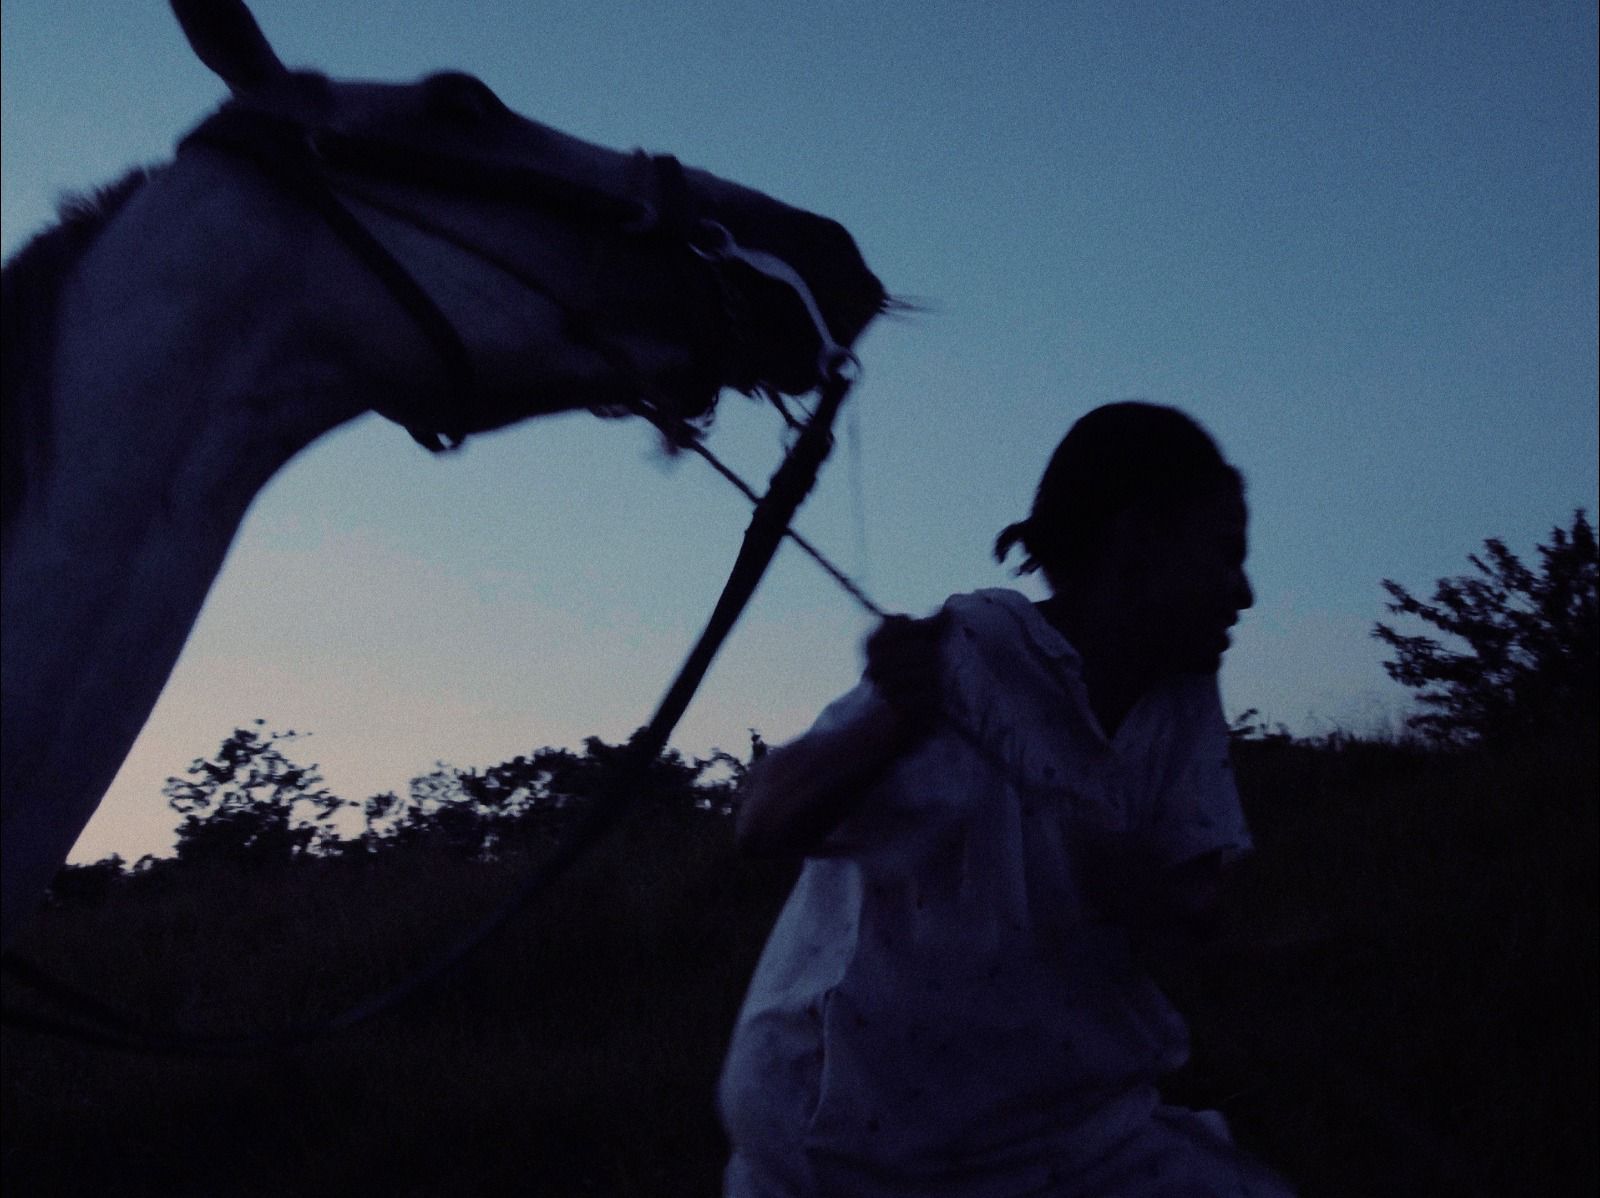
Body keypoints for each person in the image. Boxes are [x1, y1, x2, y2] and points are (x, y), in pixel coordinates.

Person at [717, 402, 1296, 1196]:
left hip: (1070, 1132)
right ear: (1139, 542)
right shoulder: (971, 649)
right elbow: (763, 822)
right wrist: (891, 721)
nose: (1244, 592)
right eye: (1225, 555)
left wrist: (1157, 899)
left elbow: (1196, 901)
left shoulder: (1182, 690)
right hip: (854, 1147)